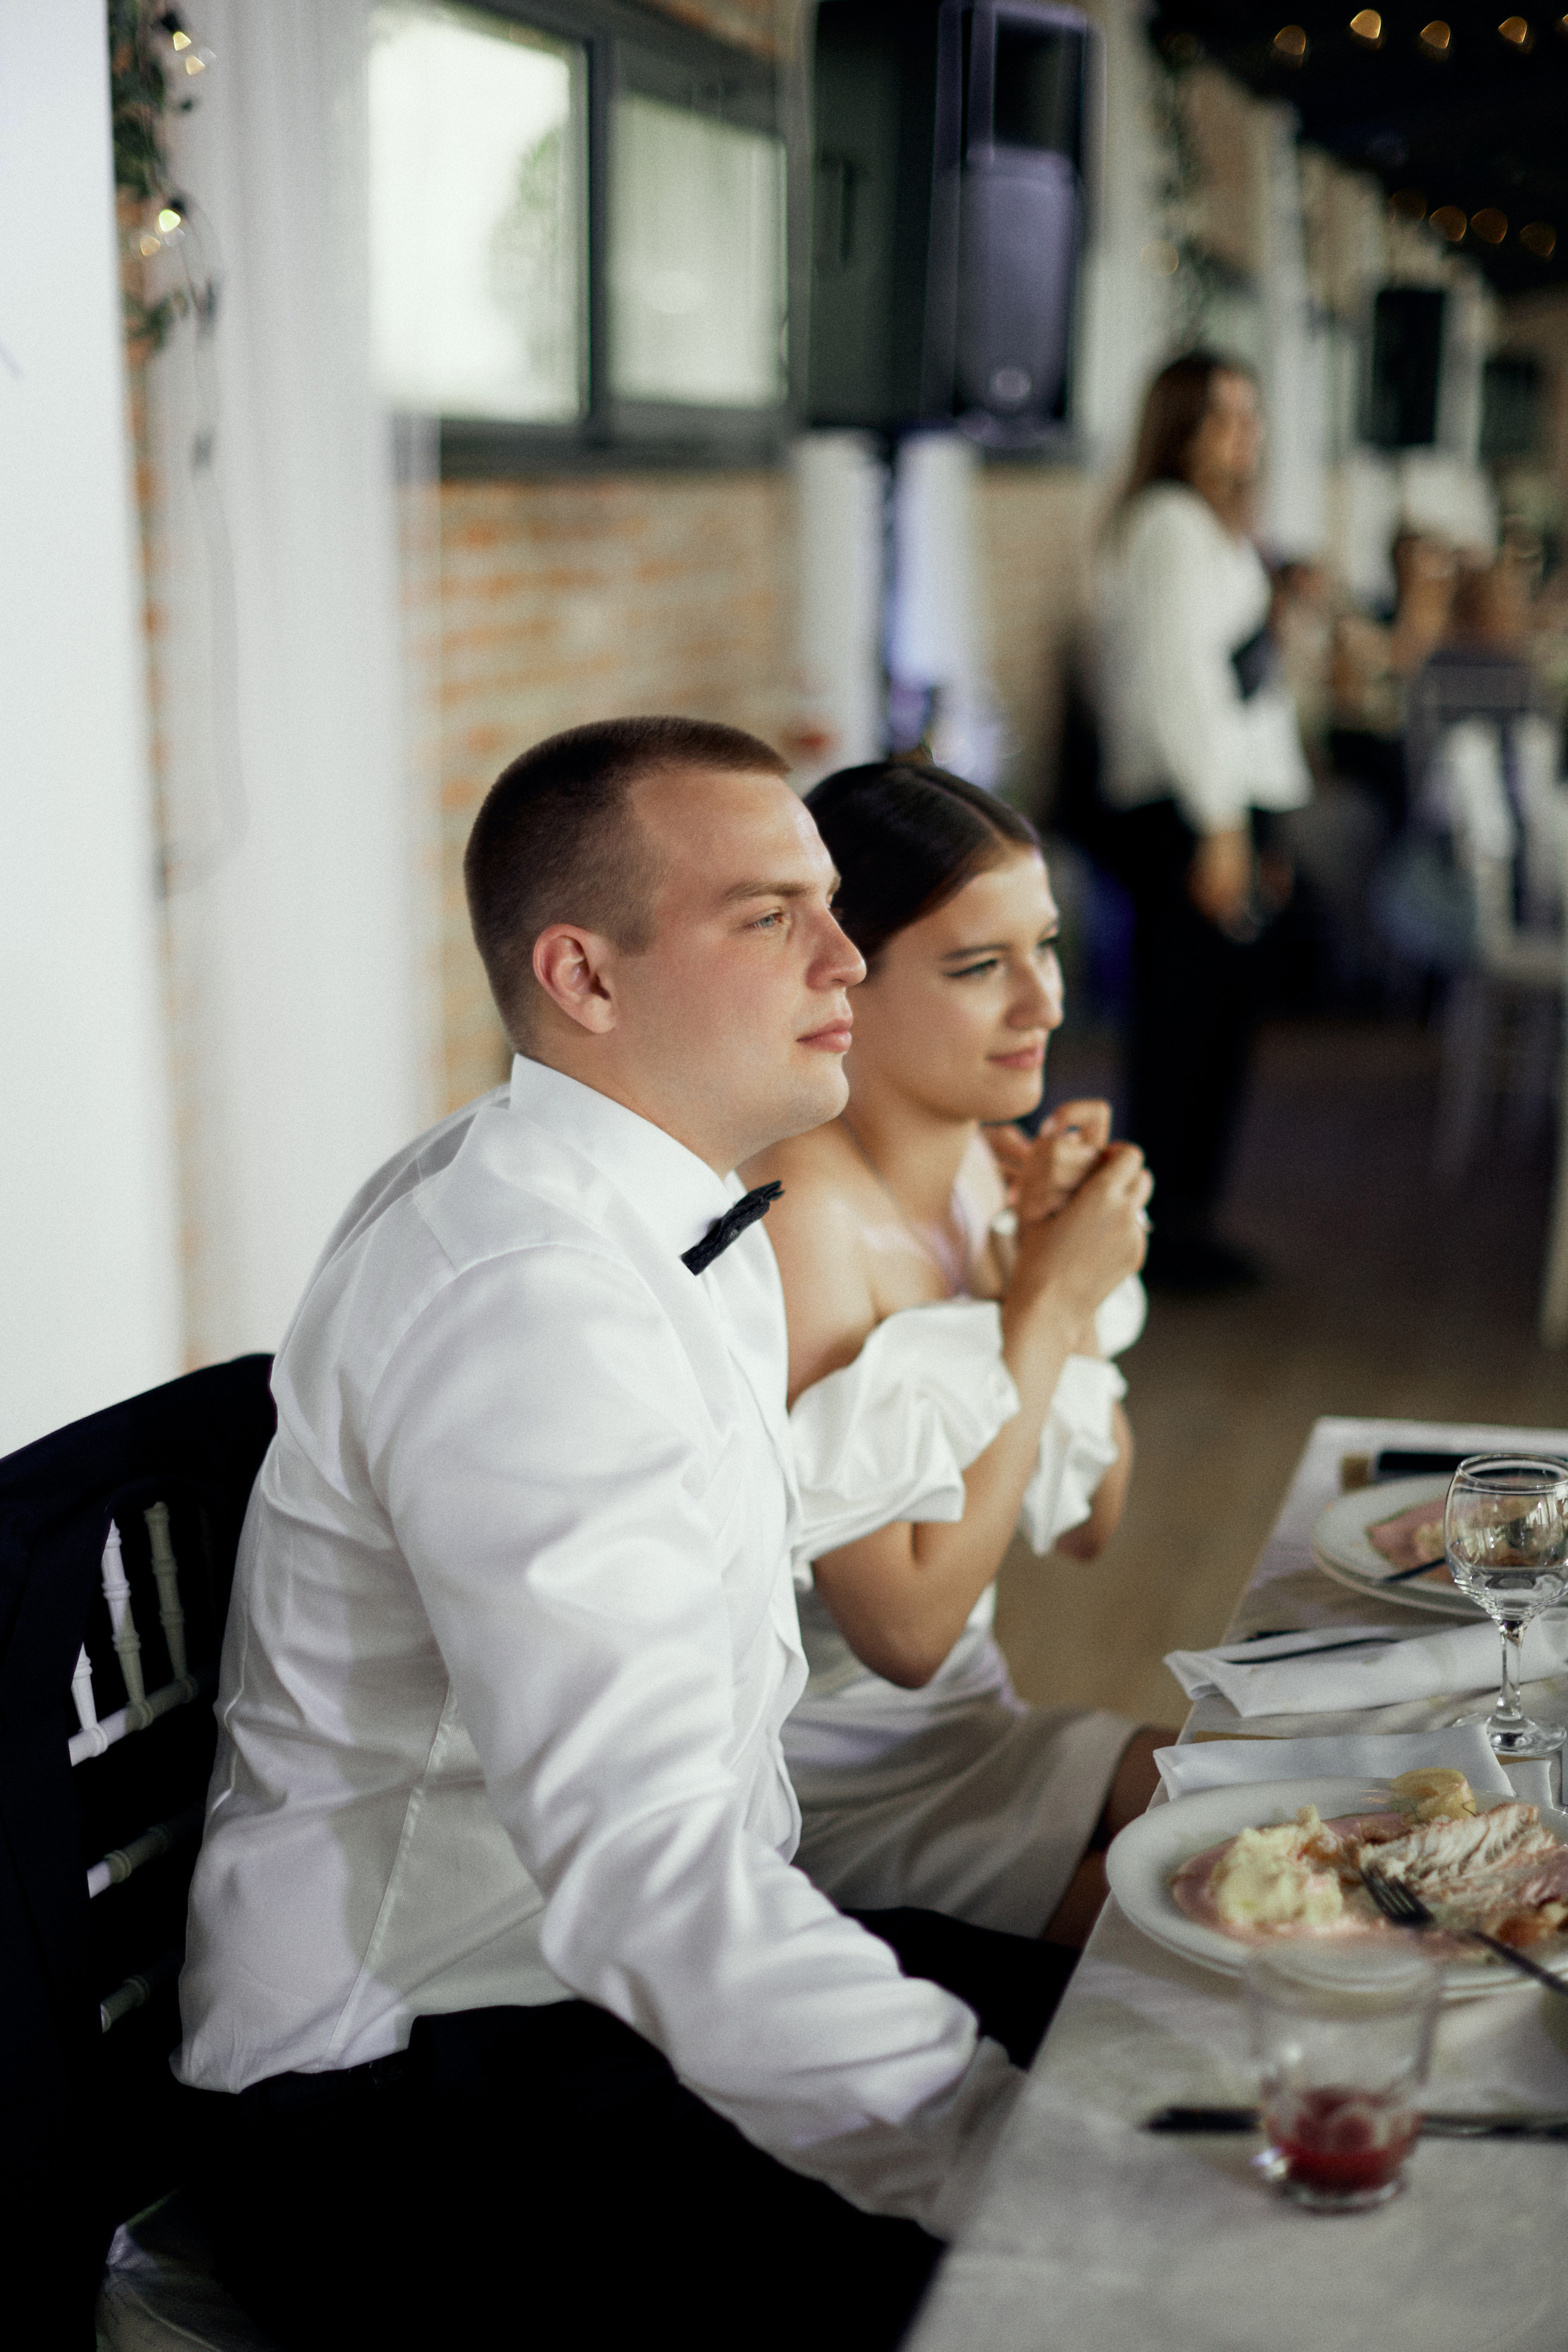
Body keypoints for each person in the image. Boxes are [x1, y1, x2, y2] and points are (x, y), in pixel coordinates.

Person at [173, 717, 1066, 2352]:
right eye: (768, 916)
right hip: (397, 2097)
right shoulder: (524, 1290)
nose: (847, 956)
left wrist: (1018, 1333)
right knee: (1092, 2255)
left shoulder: (639, 1201)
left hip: (576, 2001)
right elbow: (646, 1869)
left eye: (833, 904)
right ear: (586, 978)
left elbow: (749, 1491)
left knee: (1160, 2023)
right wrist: (1008, 2156)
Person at [744, 761, 1162, 1957]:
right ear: (841, 983)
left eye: (1045, 947)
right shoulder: (799, 1217)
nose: (1042, 1004)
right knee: (1223, 1929)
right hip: (831, 1787)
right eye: (980, 968)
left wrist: (1063, 1293)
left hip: (982, 1725)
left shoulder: (985, 1167)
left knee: (1309, 1817)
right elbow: (907, 1635)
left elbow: (1089, 1523)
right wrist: (1037, 1311)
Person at [1093, 350, 1311, 1291]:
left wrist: (1268, 825)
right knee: (1183, 1024)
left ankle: (1189, 1217)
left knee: (1223, 1021)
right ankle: (1161, 1234)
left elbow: (1246, 694)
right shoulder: (1170, 526)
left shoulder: (1219, 530)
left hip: (1229, 802)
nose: (1243, 433)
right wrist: (1222, 827)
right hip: (1186, 808)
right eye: (1223, 415)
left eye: (1250, 415)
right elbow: (1182, 692)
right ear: (1178, 424)